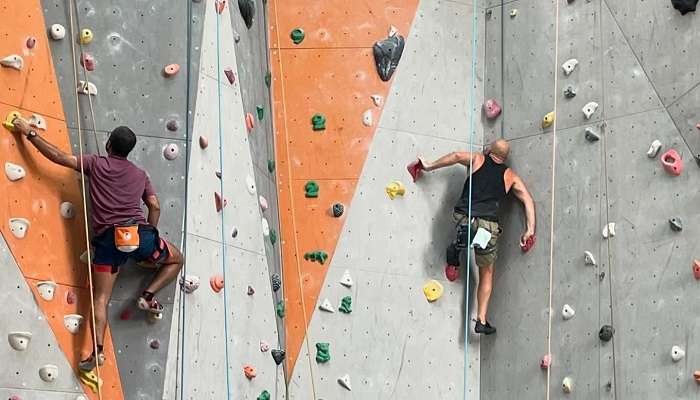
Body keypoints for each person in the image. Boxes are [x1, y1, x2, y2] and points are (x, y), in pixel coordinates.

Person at [8, 119, 183, 369]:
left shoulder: (95, 163)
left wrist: (30, 132)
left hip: (108, 242)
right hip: (138, 236)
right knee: (177, 258)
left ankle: (97, 351)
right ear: (129, 151)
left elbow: (58, 156)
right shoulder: (140, 175)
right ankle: (147, 295)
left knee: (100, 298)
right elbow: (154, 205)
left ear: (108, 144)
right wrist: (151, 234)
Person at [417, 139, 535, 335]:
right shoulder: (510, 175)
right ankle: (481, 319)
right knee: (486, 273)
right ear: (504, 157)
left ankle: (457, 251)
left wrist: (429, 166)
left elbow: (455, 156)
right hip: (488, 226)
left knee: (466, 230)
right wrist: (529, 229)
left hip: (465, 215)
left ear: (489, 151)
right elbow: (527, 199)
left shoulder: (478, 159)